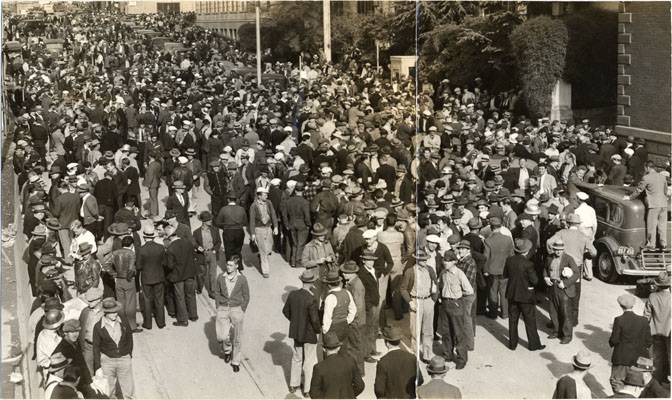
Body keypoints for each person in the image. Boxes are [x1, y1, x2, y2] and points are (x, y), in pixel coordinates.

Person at [282, 270, 320, 395]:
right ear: (312, 283)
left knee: (297, 358)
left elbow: (285, 311)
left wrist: (295, 322)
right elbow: (314, 320)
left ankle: (294, 384)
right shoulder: (312, 298)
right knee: (309, 361)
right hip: (309, 334)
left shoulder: (293, 295)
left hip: (296, 332)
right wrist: (318, 331)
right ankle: (307, 389)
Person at [503, 239, 545, 351]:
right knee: (530, 321)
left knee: (512, 320)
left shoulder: (509, 260)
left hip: (512, 294)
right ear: (526, 251)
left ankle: (512, 344)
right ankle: (534, 344)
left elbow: (505, 275)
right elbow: (535, 281)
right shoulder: (528, 264)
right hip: (526, 296)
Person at [213, 256, 250, 373]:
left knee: (238, 338)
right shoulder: (220, 277)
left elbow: (246, 296)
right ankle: (227, 350)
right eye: (227, 265)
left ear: (236, 266)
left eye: (230, 265)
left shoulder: (242, 279)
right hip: (223, 309)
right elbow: (217, 292)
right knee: (222, 336)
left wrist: (242, 310)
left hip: (236, 309)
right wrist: (218, 306)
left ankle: (235, 361)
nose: (228, 267)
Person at [609, 294, 652, 393]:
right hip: (639, 361)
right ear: (633, 305)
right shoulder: (644, 320)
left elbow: (614, 340)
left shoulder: (619, 320)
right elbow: (649, 341)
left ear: (620, 305)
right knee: (637, 388)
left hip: (621, 359)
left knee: (618, 384)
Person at [437, 251, 473, 369]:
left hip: (456, 304)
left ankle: (462, 358)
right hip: (445, 304)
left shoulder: (459, 274)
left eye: (448, 260)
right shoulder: (443, 273)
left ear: (454, 262)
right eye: (444, 260)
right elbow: (440, 285)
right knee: (446, 332)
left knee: (458, 333)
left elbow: (469, 290)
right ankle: (448, 354)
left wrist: (457, 296)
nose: (445, 262)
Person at [92, 298, 134, 399]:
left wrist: (128, 354)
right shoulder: (98, 327)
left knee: (128, 391)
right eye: (112, 312)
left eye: (116, 311)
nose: (115, 314)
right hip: (107, 362)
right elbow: (96, 348)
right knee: (109, 392)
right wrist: (98, 367)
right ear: (105, 313)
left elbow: (129, 338)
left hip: (124, 359)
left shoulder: (123, 322)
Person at [400, 250, 436, 362]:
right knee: (415, 330)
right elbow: (403, 289)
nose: (425, 261)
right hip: (416, 301)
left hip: (428, 301)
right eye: (422, 259)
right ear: (417, 259)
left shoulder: (430, 270)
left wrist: (433, 299)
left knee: (428, 330)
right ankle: (415, 354)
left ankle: (427, 354)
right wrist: (410, 301)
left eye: (426, 258)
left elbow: (435, 284)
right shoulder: (410, 271)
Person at [625, 161, 669, 249]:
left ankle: (651, 244)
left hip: (654, 205)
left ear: (647, 168)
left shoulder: (646, 178)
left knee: (651, 225)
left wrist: (629, 198)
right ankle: (663, 243)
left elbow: (639, 190)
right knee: (662, 225)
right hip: (664, 204)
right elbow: (665, 191)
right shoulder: (662, 177)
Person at [309, 332, 365, 399]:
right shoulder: (350, 361)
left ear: (324, 349)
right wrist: (350, 395)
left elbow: (314, 394)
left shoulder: (319, 368)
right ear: (338, 347)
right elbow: (360, 386)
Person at [102, 236, 141, 333]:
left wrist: (113, 273)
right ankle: (132, 326)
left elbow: (105, 264)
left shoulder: (115, 253)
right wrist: (130, 276)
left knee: (120, 302)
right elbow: (131, 268)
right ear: (131, 244)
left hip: (118, 280)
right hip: (128, 280)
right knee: (131, 303)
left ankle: (122, 324)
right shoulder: (131, 253)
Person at [544, 240, 579, 344]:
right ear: (553, 249)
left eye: (560, 250)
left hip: (563, 289)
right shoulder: (549, 257)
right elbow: (545, 269)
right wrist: (545, 277)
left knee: (565, 313)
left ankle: (567, 335)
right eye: (556, 250)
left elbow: (576, 273)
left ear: (563, 250)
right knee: (553, 311)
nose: (558, 252)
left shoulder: (569, 259)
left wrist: (565, 283)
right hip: (552, 287)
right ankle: (556, 331)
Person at [164, 223, 198, 326]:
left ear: (170, 237)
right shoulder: (188, 243)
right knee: (191, 294)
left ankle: (183, 319)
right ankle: (193, 315)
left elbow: (170, 266)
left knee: (180, 297)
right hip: (190, 273)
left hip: (178, 275)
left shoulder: (171, 249)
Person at [374, 326, 419, 399]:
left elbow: (379, 389)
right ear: (399, 341)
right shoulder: (412, 358)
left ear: (387, 343)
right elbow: (420, 380)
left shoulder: (383, 362)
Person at [136, 225, 166, 330]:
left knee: (147, 301)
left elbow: (138, 266)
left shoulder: (141, 250)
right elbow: (164, 263)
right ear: (153, 236)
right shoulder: (160, 248)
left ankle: (148, 324)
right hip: (159, 277)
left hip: (146, 278)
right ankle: (161, 322)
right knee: (159, 299)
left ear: (144, 237)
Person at [483, 216, 514, 319]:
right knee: (504, 292)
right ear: (501, 227)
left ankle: (493, 313)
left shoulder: (488, 241)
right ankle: (505, 313)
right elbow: (511, 256)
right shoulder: (508, 239)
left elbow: (486, 257)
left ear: (491, 228)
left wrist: (485, 270)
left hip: (492, 271)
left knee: (493, 292)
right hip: (505, 270)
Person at [644, 271, 671, 383]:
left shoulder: (652, 296)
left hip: (655, 331)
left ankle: (659, 380)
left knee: (658, 357)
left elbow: (646, 316)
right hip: (669, 332)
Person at [249, 186, 278, 278]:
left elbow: (273, 214)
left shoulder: (269, 203)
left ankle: (262, 256)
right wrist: (252, 233)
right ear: (259, 196)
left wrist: (276, 227)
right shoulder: (253, 206)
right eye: (264, 194)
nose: (266, 196)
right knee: (263, 250)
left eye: (266, 194)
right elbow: (252, 220)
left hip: (268, 228)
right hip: (259, 229)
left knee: (269, 248)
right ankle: (265, 271)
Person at [215, 194, 247, 271]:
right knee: (237, 250)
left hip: (228, 232)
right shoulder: (241, 209)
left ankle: (230, 269)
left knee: (229, 251)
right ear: (236, 200)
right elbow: (245, 221)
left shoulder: (224, 209)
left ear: (228, 200)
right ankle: (238, 268)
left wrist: (225, 227)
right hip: (239, 231)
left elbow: (218, 222)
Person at [193, 210, 222, 295]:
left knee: (213, 274)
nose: (211, 221)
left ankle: (212, 291)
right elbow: (193, 242)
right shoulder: (196, 232)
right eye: (209, 220)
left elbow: (219, 242)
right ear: (204, 221)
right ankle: (199, 287)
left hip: (212, 253)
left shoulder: (215, 230)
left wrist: (214, 250)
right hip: (201, 255)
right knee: (201, 273)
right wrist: (198, 247)